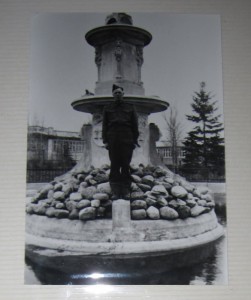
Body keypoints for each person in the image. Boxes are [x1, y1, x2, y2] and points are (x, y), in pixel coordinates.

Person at [102, 84, 139, 198]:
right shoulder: (107, 108)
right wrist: (105, 140)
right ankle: (115, 189)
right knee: (114, 163)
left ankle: (126, 189)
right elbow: (104, 125)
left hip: (126, 137)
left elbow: (135, 125)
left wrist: (134, 140)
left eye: (119, 93)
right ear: (113, 95)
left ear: (123, 94)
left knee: (125, 163)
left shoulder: (130, 107)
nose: (117, 95)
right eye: (115, 93)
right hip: (113, 137)